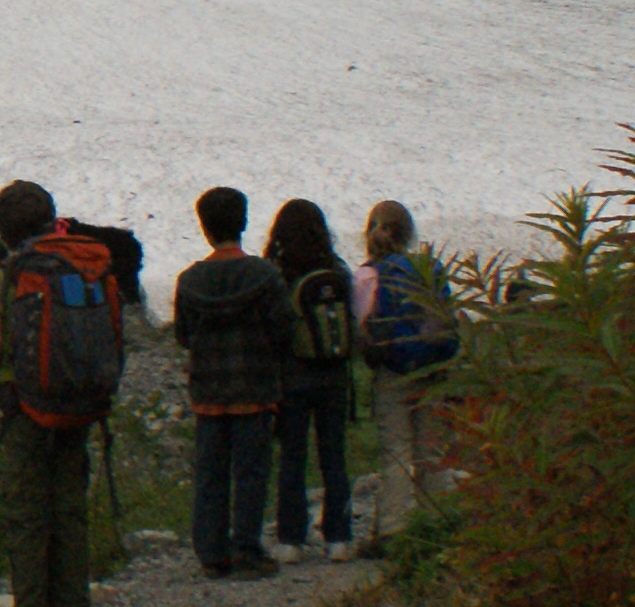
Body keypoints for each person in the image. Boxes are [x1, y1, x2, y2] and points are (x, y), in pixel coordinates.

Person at [0, 178, 120, 607]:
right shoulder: (82, 264)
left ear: (1, 231)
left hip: (26, 405)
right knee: (69, 511)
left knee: (28, 514)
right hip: (76, 402)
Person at [170, 184, 293, 578]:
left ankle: (211, 552)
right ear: (243, 223)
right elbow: (282, 330)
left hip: (208, 392)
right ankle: (247, 548)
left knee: (210, 474)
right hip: (254, 390)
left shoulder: (189, 281)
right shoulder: (265, 275)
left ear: (204, 228)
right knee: (251, 472)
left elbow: (183, 335)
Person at [352, 198, 454, 555]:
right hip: (433, 368)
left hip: (391, 370)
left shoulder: (368, 274)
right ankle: (438, 522)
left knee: (396, 449)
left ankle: (393, 530)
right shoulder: (430, 267)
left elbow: (360, 326)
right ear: (409, 232)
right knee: (431, 449)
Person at [264, 198, 357, 556]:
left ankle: (290, 538)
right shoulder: (337, 269)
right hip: (334, 375)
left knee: (293, 456)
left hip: (293, 376)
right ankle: (339, 537)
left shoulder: (278, 272)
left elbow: (275, 327)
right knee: (333, 455)